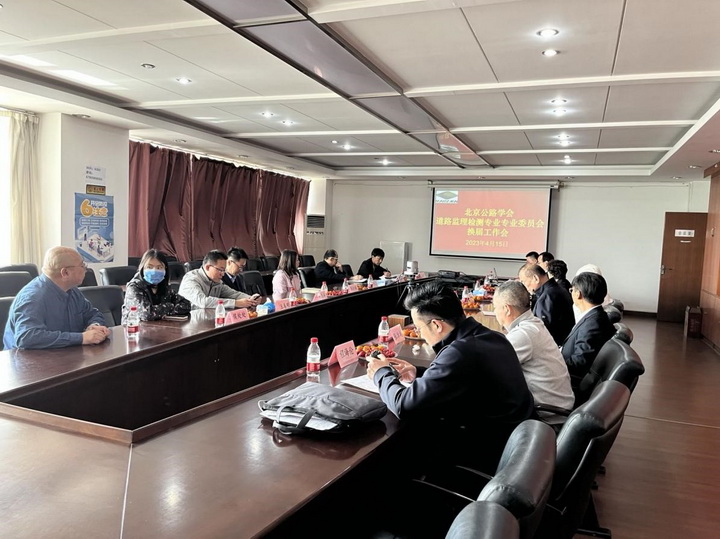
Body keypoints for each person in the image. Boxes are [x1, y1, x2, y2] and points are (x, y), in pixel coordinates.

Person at [367, 280, 535, 472]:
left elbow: (403, 406)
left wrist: (381, 372)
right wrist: (418, 373)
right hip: (515, 444)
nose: (420, 333)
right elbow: (464, 378)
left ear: (436, 325)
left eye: (419, 328)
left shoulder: (461, 352)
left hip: (484, 452)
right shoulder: (490, 336)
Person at [3, 246, 110, 349]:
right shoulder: (33, 297)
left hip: (64, 354)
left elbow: (93, 314)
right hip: (27, 359)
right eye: (82, 266)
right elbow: (26, 338)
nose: (86, 269)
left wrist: (94, 326)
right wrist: (81, 338)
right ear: (65, 273)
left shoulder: (72, 290)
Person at [492, 280, 574, 410]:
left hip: (546, 413)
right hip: (556, 404)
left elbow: (491, 367)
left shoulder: (524, 334)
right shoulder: (533, 324)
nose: (494, 311)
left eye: (495, 307)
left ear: (507, 309)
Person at [561, 272, 616, 387]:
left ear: (578, 294)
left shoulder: (593, 324)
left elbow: (579, 363)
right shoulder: (594, 316)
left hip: (567, 380)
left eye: (572, 290)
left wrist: (550, 362)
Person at [122, 249, 191, 323]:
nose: (154, 271)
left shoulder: (163, 286)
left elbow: (186, 305)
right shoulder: (134, 287)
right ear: (142, 268)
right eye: (149, 267)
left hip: (161, 327)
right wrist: (170, 306)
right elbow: (146, 314)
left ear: (165, 270)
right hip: (135, 328)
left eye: (159, 267)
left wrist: (160, 309)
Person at [178, 250, 261, 309]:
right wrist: (235, 303)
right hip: (186, 323)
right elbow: (203, 302)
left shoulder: (216, 282)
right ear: (208, 267)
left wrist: (251, 299)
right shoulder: (191, 279)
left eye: (224, 270)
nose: (223, 274)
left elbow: (233, 294)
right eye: (220, 270)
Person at [518, 262, 574, 346]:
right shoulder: (557, 289)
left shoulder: (546, 297)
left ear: (535, 278)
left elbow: (543, 332)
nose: (524, 286)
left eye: (524, 282)